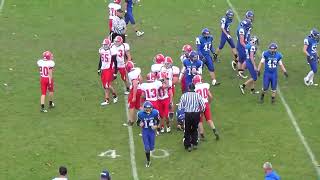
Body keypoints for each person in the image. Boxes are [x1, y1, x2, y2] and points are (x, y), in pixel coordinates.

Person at [178, 83, 205, 152]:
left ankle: (188, 145)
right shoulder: (198, 95)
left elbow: (180, 107)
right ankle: (195, 143)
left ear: (188, 88)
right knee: (195, 129)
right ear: (194, 88)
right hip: (196, 114)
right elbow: (203, 106)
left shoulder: (184, 95)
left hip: (188, 114)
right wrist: (201, 112)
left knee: (187, 130)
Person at [193, 75, 219, 140]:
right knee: (209, 119)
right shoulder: (205, 85)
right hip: (205, 103)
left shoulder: (195, 88)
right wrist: (208, 103)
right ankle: (215, 130)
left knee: (199, 120)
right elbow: (210, 96)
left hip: (198, 105)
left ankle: (202, 135)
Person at [137, 101, 159, 167]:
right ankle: (148, 161)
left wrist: (156, 126)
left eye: (149, 108)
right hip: (145, 131)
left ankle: (149, 152)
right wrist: (140, 124)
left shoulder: (155, 112)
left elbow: (158, 121)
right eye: (146, 108)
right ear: (144, 108)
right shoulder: (140, 114)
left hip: (152, 131)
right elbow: (138, 122)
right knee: (147, 148)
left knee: (151, 148)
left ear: (152, 108)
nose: (148, 109)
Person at [98, 38, 118, 106]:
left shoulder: (112, 51)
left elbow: (115, 62)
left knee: (107, 85)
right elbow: (100, 60)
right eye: (104, 45)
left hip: (108, 70)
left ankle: (115, 95)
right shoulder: (101, 50)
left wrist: (115, 72)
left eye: (106, 45)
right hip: (103, 69)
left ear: (109, 45)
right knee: (104, 86)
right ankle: (107, 100)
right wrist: (99, 68)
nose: (104, 46)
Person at [127, 61, 142, 125]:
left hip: (134, 90)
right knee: (138, 106)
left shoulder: (131, 74)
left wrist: (134, 96)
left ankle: (131, 121)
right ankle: (148, 113)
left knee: (131, 106)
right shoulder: (137, 70)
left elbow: (135, 84)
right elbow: (141, 79)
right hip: (139, 89)